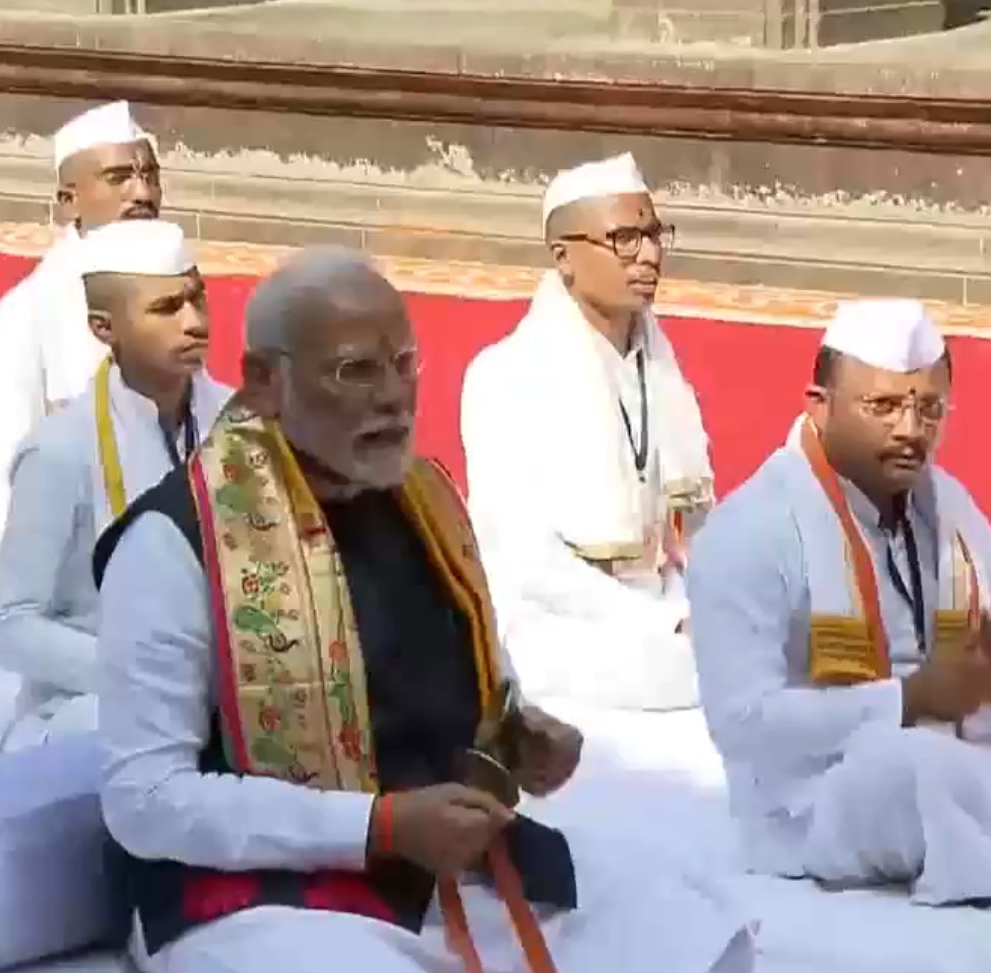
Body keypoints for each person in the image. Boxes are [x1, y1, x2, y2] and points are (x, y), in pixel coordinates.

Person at [91, 247, 754, 973]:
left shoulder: (422, 503)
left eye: (404, 364)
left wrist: (518, 737)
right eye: (355, 371)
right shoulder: (174, 539)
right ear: (262, 382)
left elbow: (464, 695)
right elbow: (144, 799)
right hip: (259, 897)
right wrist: (377, 826)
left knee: (687, 927)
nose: (393, 397)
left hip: (442, 865)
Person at [688, 299, 991, 906]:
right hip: (809, 802)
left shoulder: (946, 506)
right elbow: (742, 725)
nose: (911, 429)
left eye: (929, 408)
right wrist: (908, 699)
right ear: (818, 406)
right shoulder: (750, 529)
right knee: (914, 769)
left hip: (950, 746)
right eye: (882, 406)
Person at [460, 153, 713, 711]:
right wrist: (667, 624)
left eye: (653, 234)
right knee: (702, 673)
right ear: (564, 258)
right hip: (560, 622)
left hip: (663, 605)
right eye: (624, 238)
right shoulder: (505, 374)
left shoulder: (660, 370)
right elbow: (523, 561)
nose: (648, 254)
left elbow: (691, 532)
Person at [0, 219, 230, 751]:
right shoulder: (60, 452)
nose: (193, 323)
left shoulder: (243, 423)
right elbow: (7, 625)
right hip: (89, 702)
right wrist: (139, 679)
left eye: (197, 298)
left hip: (229, 688)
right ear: (104, 327)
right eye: (165, 309)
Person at [0, 100, 162, 521]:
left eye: (149, 176)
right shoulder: (19, 323)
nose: (143, 193)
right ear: (67, 202)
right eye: (119, 178)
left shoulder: (176, 301)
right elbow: (18, 499)